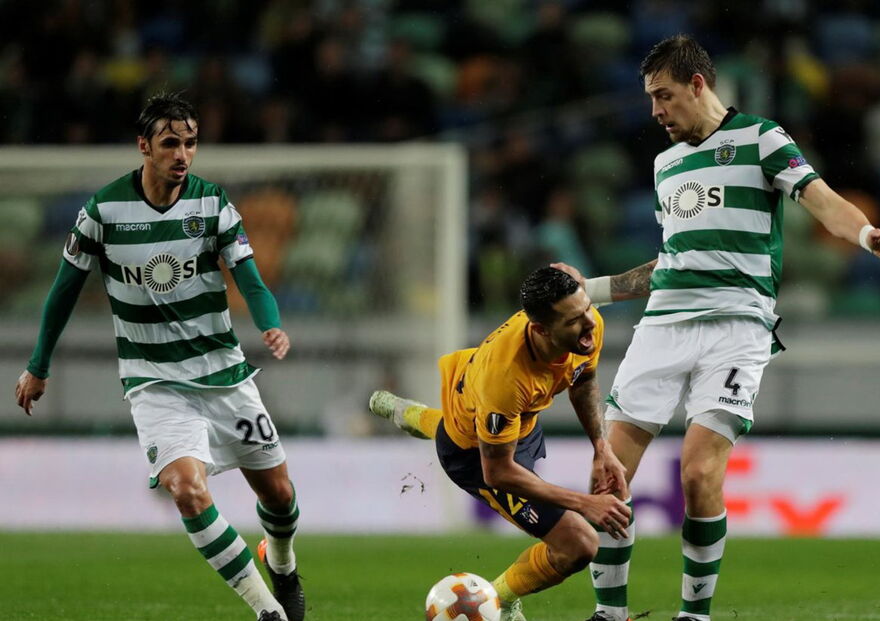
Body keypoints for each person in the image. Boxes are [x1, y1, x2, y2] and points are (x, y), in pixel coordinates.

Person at [553, 35, 880, 621]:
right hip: (662, 327)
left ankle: (695, 615)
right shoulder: (665, 164)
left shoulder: (761, 138)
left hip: (737, 326)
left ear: (698, 85)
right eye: (649, 99)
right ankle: (609, 615)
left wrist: (867, 234)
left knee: (698, 472)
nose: (656, 111)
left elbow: (821, 201)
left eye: (663, 96)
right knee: (607, 476)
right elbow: (673, 260)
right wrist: (589, 293)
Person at [13, 93, 309, 621]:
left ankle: (282, 564)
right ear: (144, 146)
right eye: (171, 143)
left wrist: (270, 325)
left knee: (281, 495)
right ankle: (268, 611)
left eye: (191, 143)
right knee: (187, 491)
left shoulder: (212, 203)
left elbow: (249, 277)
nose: (183, 154)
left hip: (224, 374)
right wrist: (39, 365)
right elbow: (62, 291)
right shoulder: (101, 212)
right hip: (154, 383)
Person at [369, 267, 632, 621]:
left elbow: (583, 379)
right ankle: (500, 599)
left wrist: (602, 448)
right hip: (474, 457)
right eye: (574, 319)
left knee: (470, 422)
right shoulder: (506, 380)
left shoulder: (583, 325)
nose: (590, 323)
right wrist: (586, 503)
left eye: (587, 309)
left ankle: (413, 415)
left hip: (515, 423)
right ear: (540, 329)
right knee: (580, 545)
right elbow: (498, 472)